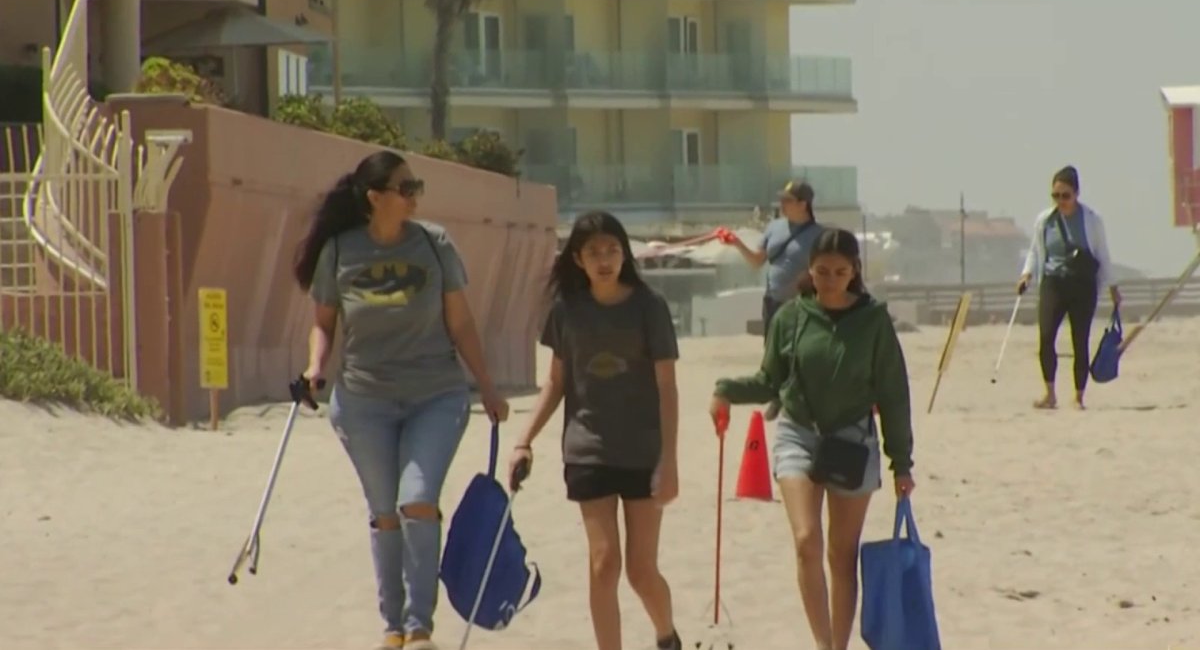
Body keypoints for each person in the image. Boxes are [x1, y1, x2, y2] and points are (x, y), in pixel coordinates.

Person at [292, 150, 510, 650]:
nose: (415, 196)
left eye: (417, 187)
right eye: (405, 188)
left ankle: (419, 627)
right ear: (375, 198)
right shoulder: (341, 251)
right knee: (385, 511)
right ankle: (392, 627)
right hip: (363, 400)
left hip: (435, 394)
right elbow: (323, 324)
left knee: (416, 499)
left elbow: (461, 322)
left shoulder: (434, 245)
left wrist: (488, 385)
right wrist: (314, 368)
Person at [708, 228, 915, 650]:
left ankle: (838, 646)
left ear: (855, 271)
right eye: (822, 271)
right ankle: (823, 645)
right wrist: (726, 389)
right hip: (798, 434)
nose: (830, 279)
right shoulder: (791, 316)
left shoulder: (874, 321)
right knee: (806, 541)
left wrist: (902, 462)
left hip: (854, 441)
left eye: (840, 271)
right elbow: (770, 380)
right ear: (810, 270)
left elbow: (894, 393)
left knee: (842, 554)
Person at [507, 210, 684, 650]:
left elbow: (667, 388)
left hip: (643, 451)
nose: (604, 259)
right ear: (578, 260)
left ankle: (667, 635)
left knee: (641, 571)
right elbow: (556, 382)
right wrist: (524, 440)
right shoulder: (567, 311)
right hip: (587, 449)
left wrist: (670, 460)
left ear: (624, 254)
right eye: (593, 252)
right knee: (604, 563)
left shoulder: (650, 307)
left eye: (612, 250)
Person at [1017, 164, 1121, 410]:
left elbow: (1103, 254)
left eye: (1066, 196)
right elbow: (1035, 250)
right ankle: (1050, 393)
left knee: (1079, 340)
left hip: (1082, 285)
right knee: (1045, 338)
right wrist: (1026, 275)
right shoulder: (1044, 220)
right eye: (1056, 196)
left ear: (1076, 194)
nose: (1061, 201)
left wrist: (1113, 287)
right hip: (1053, 282)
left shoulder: (1092, 220)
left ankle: (1078, 396)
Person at [724, 180, 823, 420]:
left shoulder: (819, 236)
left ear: (803, 204)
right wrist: (737, 243)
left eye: (787, 200)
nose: (781, 204)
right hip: (771, 299)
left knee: (797, 351)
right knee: (771, 350)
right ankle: (776, 395)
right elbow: (757, 261)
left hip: (800, 304)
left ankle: (789, 398)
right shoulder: (774, 227)